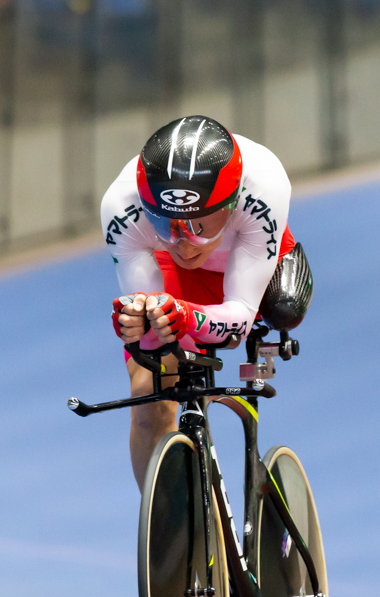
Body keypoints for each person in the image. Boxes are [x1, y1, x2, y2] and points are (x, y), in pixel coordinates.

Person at [100, 115, 298, 486]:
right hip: (171, 274)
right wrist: (138, 320)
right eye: (166, 223)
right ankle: (169, 532)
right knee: (150, 394)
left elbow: (238, 317)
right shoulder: (122, 208)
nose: (183, 242)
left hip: (244, 253)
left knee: (286, 306)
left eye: (199, 225)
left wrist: (187, 318)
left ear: (231, 203)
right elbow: (148, 318)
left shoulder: (263, 187)